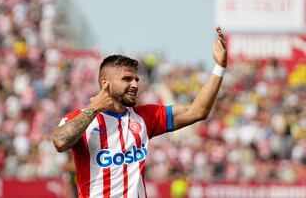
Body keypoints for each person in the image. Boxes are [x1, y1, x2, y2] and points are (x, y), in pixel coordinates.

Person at [52, 27, 228, 198]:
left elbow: (197, 111)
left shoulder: (145, 117)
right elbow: (60, 141)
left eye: (136, 79)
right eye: (127, 79)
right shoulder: (81, 118)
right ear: (105, 83)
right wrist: (93, 109)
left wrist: (219, 66)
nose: (135, 84)